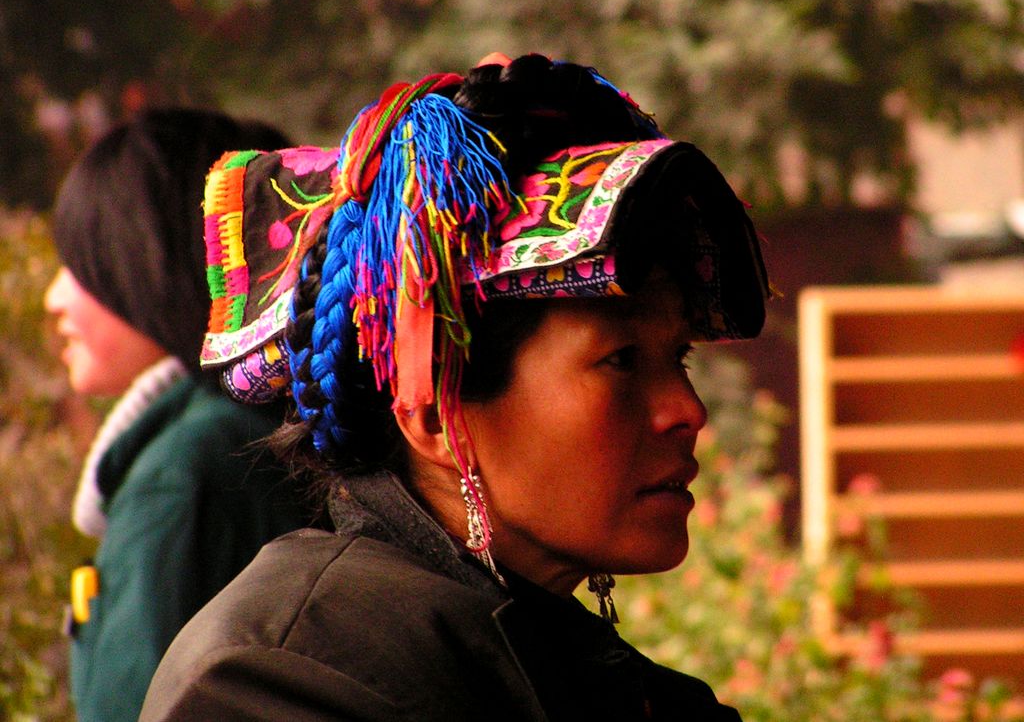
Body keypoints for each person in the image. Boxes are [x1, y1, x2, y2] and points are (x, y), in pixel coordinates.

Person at [140, 54, 770, 721]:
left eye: (680, 358)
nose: (686, 411)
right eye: (621, 360)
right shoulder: (278, 681)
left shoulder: (610, 683)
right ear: (437, 414)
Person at [43, 108, 324, 722]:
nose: (54, 298)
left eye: (85, 264)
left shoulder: (186, 474)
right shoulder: (275, 426)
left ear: (157, 265)